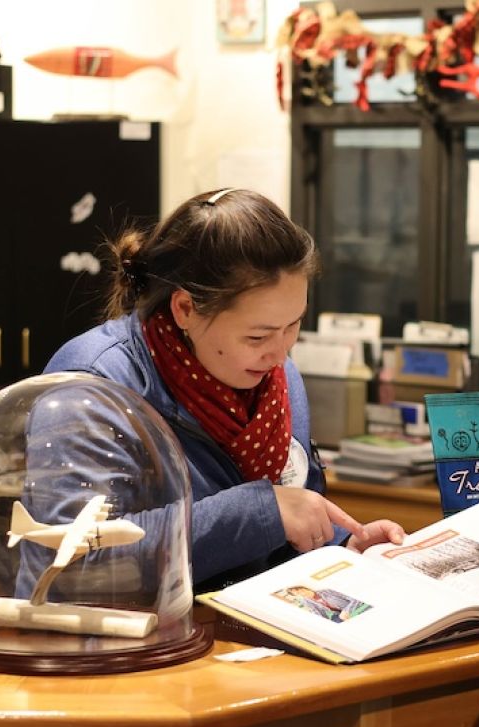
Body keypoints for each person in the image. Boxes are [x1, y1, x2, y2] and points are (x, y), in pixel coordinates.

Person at [39, 188, 403, 591]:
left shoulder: (278, 378)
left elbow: (290, 514)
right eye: (257, 336)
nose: (280, 355)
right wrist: (260, 513)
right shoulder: (94, 385)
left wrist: (343, 542)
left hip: (248, 634)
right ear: (185, 310)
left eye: (293, 326)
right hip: (121, 643)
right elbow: (74, 560)